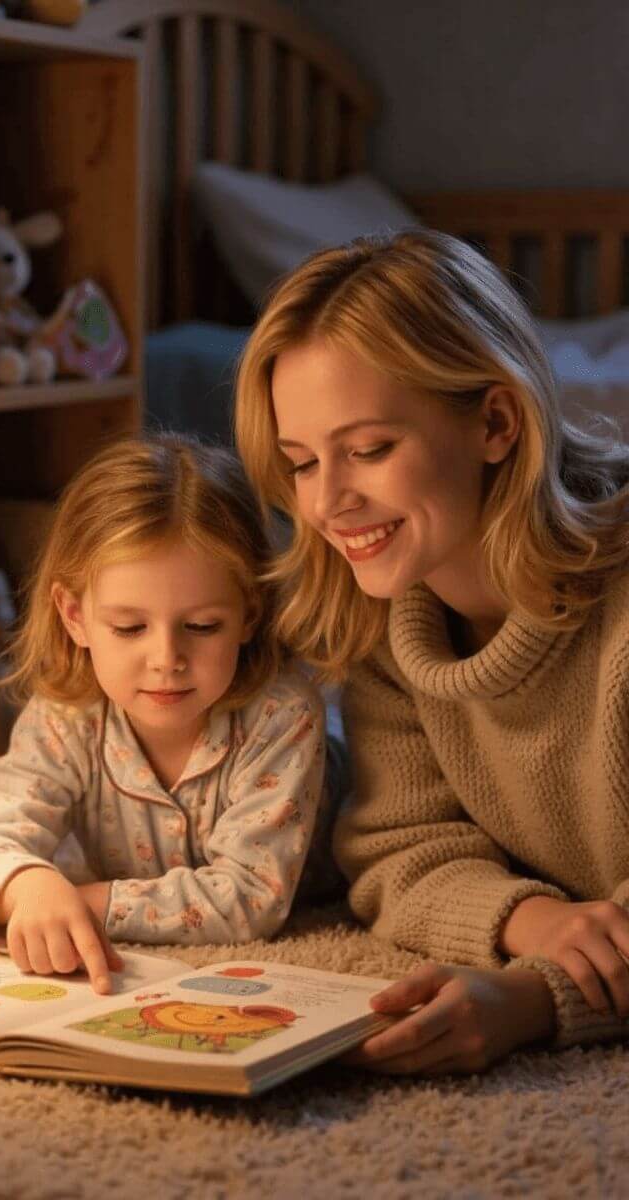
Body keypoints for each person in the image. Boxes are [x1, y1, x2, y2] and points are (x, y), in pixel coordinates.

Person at [233, 228, 629, 1074]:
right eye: (302, 463)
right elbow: (396, 848)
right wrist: (534, 921)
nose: (329, 502)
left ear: (495, 421)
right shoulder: (394, 617)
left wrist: (533, 998)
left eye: (370, 449)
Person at [0, 434, 333, 993]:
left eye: (202, 627)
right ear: (74, 617)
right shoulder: (66, 716)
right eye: (129, 628)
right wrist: (26, 886)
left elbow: (251, 900)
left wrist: (82, 901)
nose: (166, 660)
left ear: (249, 613)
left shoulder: (282, 715)